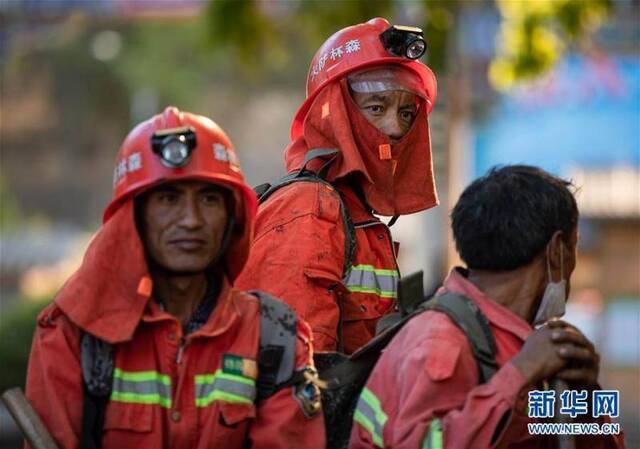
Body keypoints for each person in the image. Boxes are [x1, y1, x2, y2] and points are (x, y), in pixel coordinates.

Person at [25, 106, 325, 449]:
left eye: (209, 199)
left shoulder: (277, 338)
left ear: (232, 217)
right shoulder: (73, 337)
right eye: (168, 199)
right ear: (133, 216)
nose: (191, 220)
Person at [350, 165, 626, 449]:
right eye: (574, 246)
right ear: (557, 251)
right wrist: (519, 374)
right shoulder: (440, 340)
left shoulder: (526, 344)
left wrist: (586, 397)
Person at [236, 18, 439, 354]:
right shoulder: (309, 207)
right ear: (332, 115)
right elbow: (299, 377)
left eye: (406, 113)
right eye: (376, 108)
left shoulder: (354, 215)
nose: (395, 128)